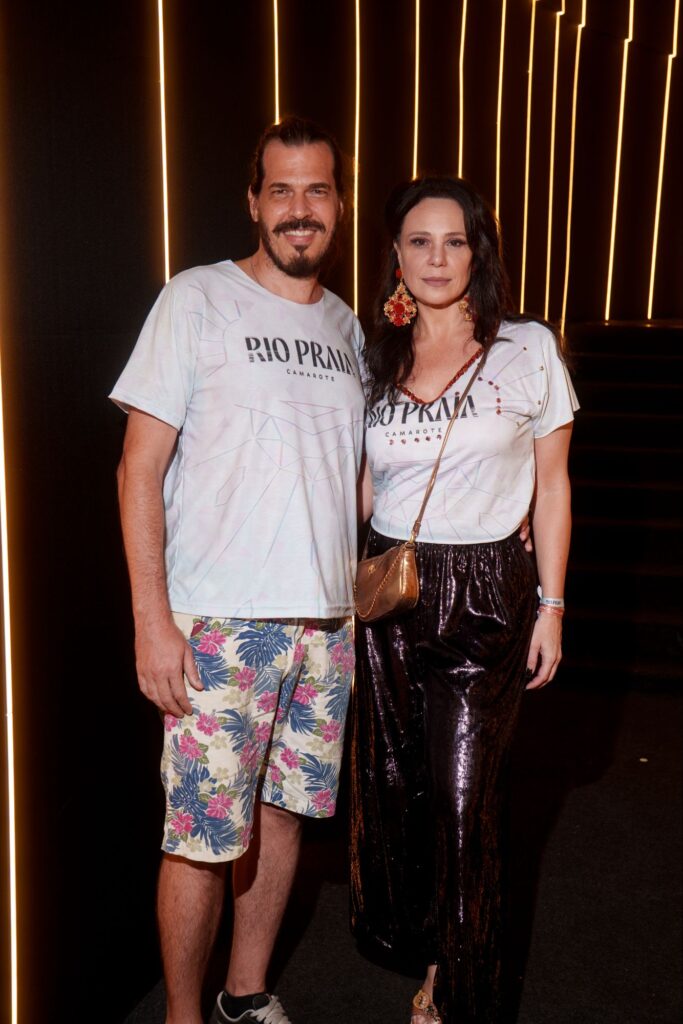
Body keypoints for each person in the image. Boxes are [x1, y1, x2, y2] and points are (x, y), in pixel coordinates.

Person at [111, 117, 365, 1024]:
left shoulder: (347, 327)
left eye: (318, 189)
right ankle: (182, 1016)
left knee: (286, 815)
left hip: (327, 623)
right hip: (222, 624)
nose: (300, 209)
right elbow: (138, 468)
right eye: (282, 190)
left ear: (339, 204)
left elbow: (357, 480)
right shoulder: (197, 298)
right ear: (253, 202)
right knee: (202, 833)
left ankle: (243, 996)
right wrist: (153, 621)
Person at [349, 176, 578, 1024]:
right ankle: (429, 946)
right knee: (398, 787)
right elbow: (363, 485)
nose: (436, 258)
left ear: (478, 251)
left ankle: (457, 987)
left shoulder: (526, 347)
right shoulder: (374, 355)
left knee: (461, 798)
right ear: (395, 254)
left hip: (486, 596)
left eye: (454, 241)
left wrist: (551, 604)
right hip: (390, 592)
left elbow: (552, 485)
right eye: (419, 241)